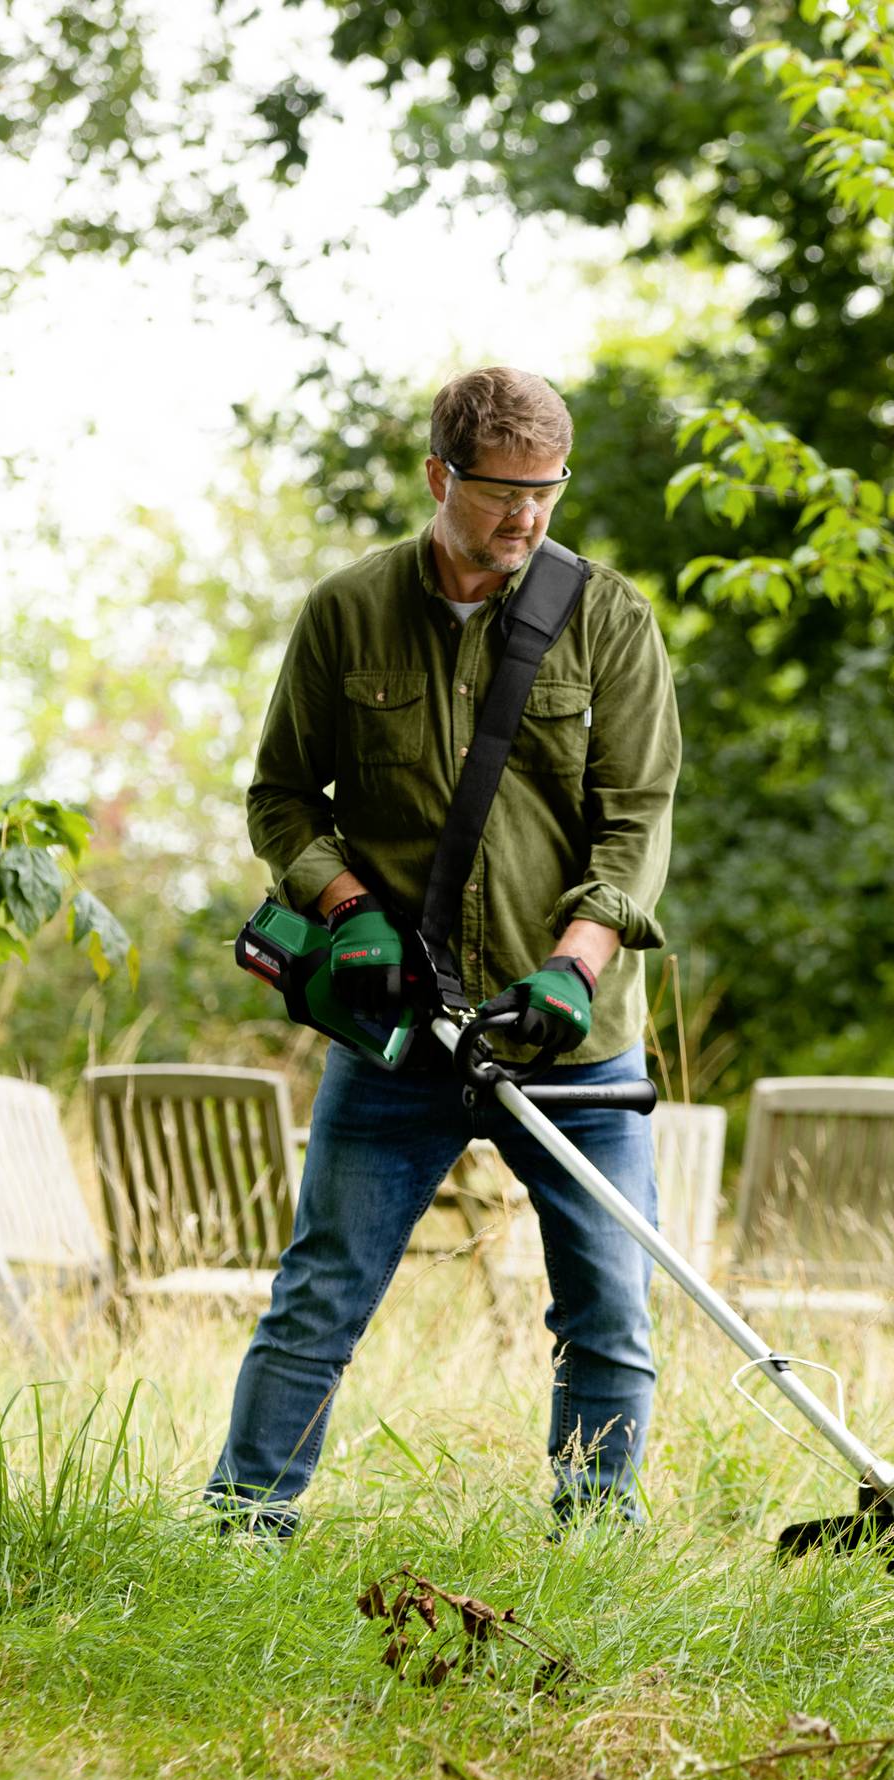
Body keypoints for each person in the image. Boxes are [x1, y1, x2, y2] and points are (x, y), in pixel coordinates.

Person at [207, 366, 683, 1535]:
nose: (524, 518)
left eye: (546, 493)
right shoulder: (348, 613)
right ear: (439, 477)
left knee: (610, 1309)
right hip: (401, 1036)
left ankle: (591, 1550)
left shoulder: (609, 620)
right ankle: (241, 1531)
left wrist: (574, 965)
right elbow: (281, 800)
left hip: (569, 1041)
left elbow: (637, 825)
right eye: (499, 492)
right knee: (320, 1296)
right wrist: (344, 903)